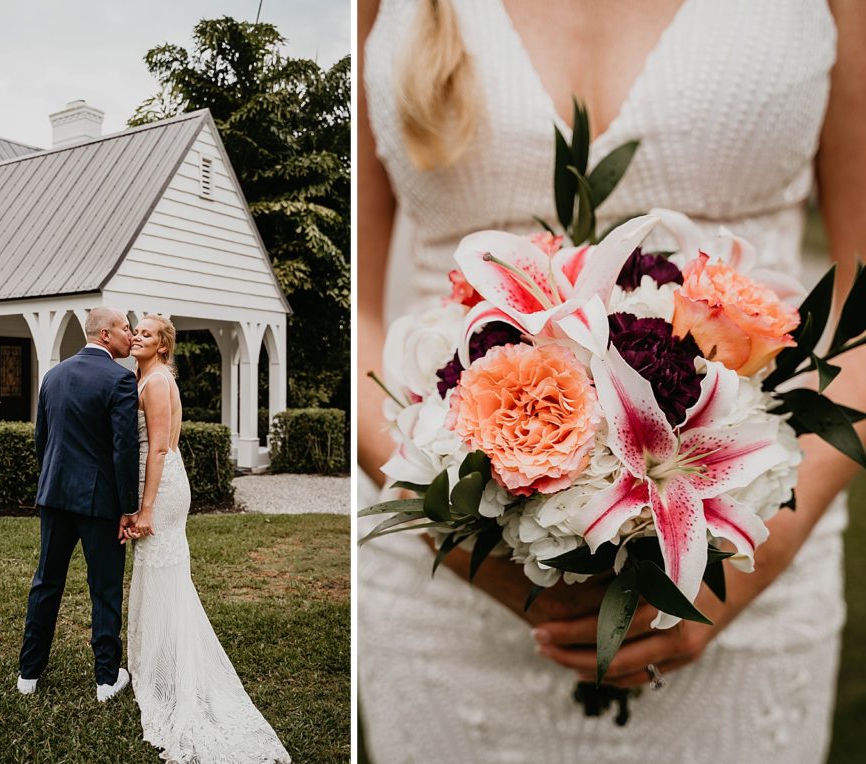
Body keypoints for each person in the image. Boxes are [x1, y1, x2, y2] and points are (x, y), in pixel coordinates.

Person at [357, 0, 866, 762]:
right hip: (446, 581)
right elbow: (349, 308)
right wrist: (466, 544)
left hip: (748, 563)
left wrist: (746, 563)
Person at [124, 314, 291, 764]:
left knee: (163, 577)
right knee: (163, 576)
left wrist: (146, 508)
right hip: (159, 485)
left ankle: (168, 674)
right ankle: (163, 667)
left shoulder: (156, 382)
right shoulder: (146, 378)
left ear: (163, 346)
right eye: (135, 330)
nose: (138, 335)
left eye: (148, 333)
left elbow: (158, 448)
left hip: (161, 488)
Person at [17, 306, 139, 702]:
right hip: (99, 503)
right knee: (104, 589)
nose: (130, 334)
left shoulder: (53, 376)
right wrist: (129, 507)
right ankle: (106, 679)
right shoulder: (121, 379)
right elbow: (124, 451)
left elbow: (42, 441)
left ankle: (28, 674)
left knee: (46, 582)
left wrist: (52, 482)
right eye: (125, 328)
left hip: (54, 496)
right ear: (105, 334)